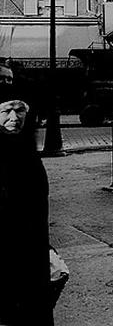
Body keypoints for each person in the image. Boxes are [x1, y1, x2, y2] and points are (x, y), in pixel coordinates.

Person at [0, 66, 55, 325]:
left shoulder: (29, 155)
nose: (14, 117)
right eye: (6, 111)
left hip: (31, 258)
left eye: (20, 110)